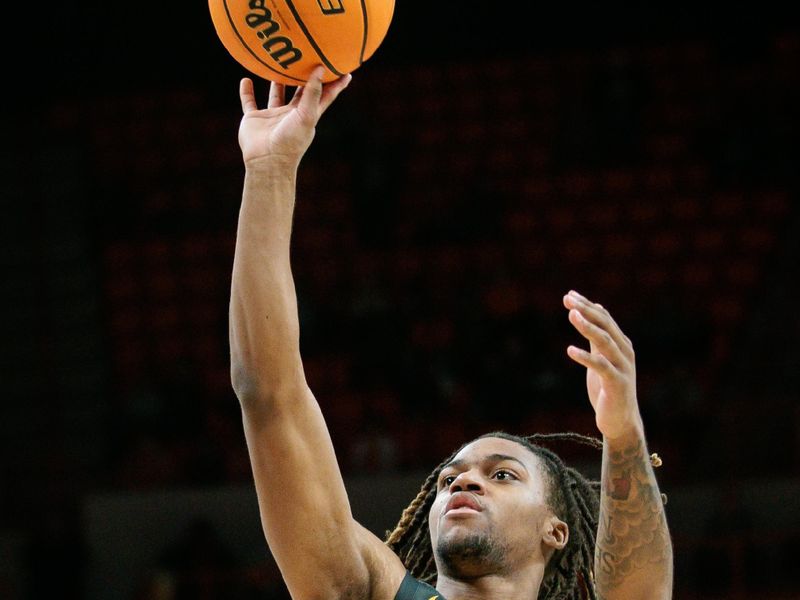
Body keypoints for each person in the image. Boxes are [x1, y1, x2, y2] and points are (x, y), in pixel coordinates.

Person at [228, 66, 673, 600]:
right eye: (447, 479)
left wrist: (623, 434)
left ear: (555, 530)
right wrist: (271, 169)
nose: (462, 482)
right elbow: (267, 393)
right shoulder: (364, 591)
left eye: (503, 475)